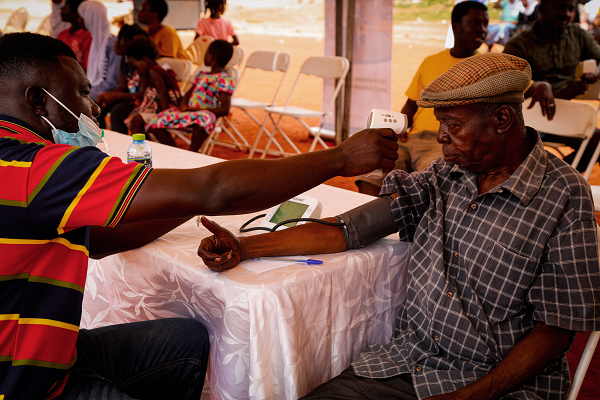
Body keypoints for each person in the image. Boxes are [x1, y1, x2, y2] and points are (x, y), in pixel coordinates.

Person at [0, 31, 399, 399]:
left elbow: (101, 239)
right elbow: (214, 189)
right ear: (39, 100)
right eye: (82, 92)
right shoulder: (38, 168)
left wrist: (182, 202)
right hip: (28, 386)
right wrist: (340, 157)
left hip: (51, 358)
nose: (93, 105)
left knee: (187, 339)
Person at [198, 53, 600, 400]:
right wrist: (247, 247)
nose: (441, 136)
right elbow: (347, 229)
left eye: (453, 125)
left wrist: (475, 395)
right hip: (409, 365)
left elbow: (558, 328)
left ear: (501, 118)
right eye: (440, 122)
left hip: (498, 385)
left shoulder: (564, 195)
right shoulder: (445, 175)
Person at [356, 1, 489, 196]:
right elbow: (412, 103)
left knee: (431, 184)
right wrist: (399, 129)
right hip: (411, 138)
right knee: (371, 171)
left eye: (486, 24)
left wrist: (541, 85)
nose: (482, 30)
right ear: (455, 26)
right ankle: (367, 223)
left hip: (445, 143)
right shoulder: (431, 62)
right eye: (475, 23)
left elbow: (524, 83)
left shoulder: (488, 67)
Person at [503, 0, 600, 171]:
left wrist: (595, 72)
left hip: (566, 114)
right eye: (560, 6)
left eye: (571, 9)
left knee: (598, 143)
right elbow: (505, 89)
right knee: (520, 156)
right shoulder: (518, 44)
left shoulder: (577, 34)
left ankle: (555, 179)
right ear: (542, 9)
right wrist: (560, 93)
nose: (566, 14)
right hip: (529, 116)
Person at [147, 39, 233, 152]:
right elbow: (187, 95)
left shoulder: (224, 79)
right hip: (189, 113)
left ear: (211, 56)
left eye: (206, 52)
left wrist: (197, 109)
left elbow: (225, 110)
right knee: (154, 122)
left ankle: (192, 152)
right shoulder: (201, 75)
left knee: (204, 119)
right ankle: (177, 152)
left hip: (205, 115)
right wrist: (183, 106)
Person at [123, 36, 182, 135]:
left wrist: (164, 116)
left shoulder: (153, 71)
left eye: (136, 67)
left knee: (137, 120)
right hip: (160, 107)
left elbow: (163, 94)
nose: (137, 71)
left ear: (144, 60)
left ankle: (139, 146)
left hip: (168, 108)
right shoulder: (152, 71)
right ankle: (145, 145)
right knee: (137, 118)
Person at [96, 24, 148, 133]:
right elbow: (122, 87)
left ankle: (119, 146)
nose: (115, 43)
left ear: (130, 42)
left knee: (118, 111)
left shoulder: (142, 63)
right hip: (130, 98)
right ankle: (101, 141)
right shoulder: (124, 61)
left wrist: (116, 96)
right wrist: (107, 96)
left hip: (143, 102)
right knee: (98, 107)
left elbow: (144, 94)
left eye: (120, 39)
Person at [78, 1, 121, 102]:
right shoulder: (95, 41)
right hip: (96, 90)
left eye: (81, 16)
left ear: (90, 17)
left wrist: (88, 93)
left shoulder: (112, 43)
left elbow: (112, 83)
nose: (79, 20)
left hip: (107, 92)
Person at [57, 0, 92, 71]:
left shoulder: (87, 36)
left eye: (65, 6)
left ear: (74, 14)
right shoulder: (62, 34)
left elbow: (88, 68)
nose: (61, 8)